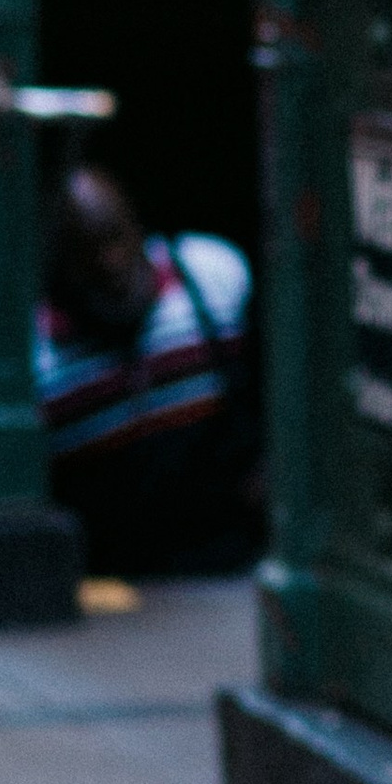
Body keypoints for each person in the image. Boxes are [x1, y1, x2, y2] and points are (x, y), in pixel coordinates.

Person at [36, 166, 261, 578]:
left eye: (116, 237)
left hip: (228, 570)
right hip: (110, 590)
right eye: (86, 250)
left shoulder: (212, 279)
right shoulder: (39, 356)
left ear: (137, 226)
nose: (109, 262)